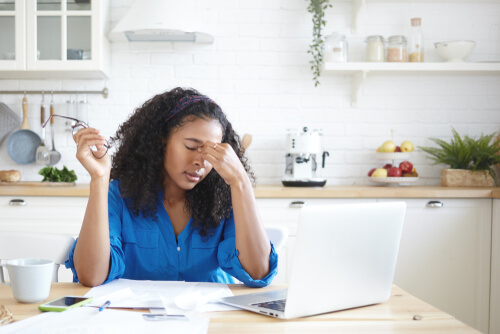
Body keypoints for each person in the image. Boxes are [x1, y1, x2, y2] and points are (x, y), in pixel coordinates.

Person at [65, 87, 278, 288]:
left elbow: (258, 272)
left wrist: (241, 181)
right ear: (162, 140)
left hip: (211, 322)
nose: (201, 161)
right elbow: (91, 276)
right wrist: (100, 178)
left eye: (212, 151)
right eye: (191, 147)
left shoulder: (226, 198)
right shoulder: (119, 195)